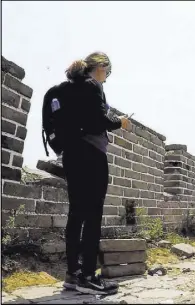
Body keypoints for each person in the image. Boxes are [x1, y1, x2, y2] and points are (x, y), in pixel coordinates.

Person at [47, 52, 129, 295]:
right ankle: (88, 277)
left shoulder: (70, 88)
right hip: (91, 155)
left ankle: (72, 275)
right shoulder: (92, 86)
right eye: (108, 73)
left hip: (71, 155)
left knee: (76, 214)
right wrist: (120, 123)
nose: (106, 79)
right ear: (101, 68)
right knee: (93, 215)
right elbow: (96, 122)